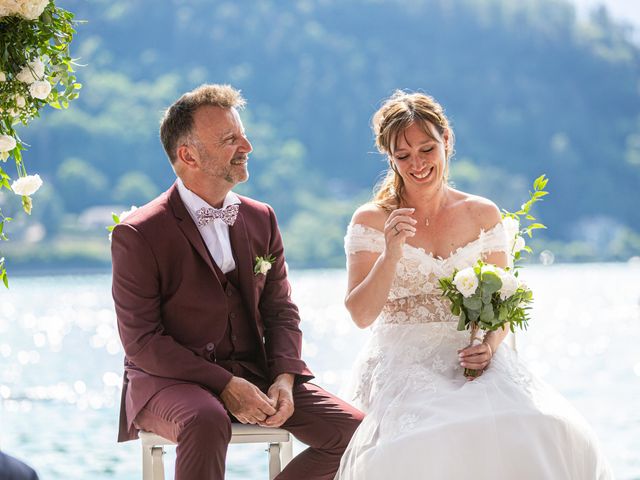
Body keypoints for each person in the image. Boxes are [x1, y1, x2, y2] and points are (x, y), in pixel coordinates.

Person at [336, 90, 613, 479]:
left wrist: (488, 346)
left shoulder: (482, 213)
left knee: (545, 424)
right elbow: (361, 315)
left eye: (427, 149)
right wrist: (391, 253)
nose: (417, 163)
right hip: (404, 360)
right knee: (424, 437)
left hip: (472, 356)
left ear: (447, 140)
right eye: (403, 156)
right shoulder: (371, 220)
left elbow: (503, 308)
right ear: (390, 158)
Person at [111, 84, 363, 480]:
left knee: (356, 434)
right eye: (230, 139)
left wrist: (284, 376)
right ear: (188, 155)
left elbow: (280, 311)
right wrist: (225, 383)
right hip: (167, 383)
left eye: (242, 133)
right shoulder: (138, 233)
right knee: (207, 420)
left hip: (257, 373)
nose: (247, 145)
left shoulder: (261, 218)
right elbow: (142, 342)